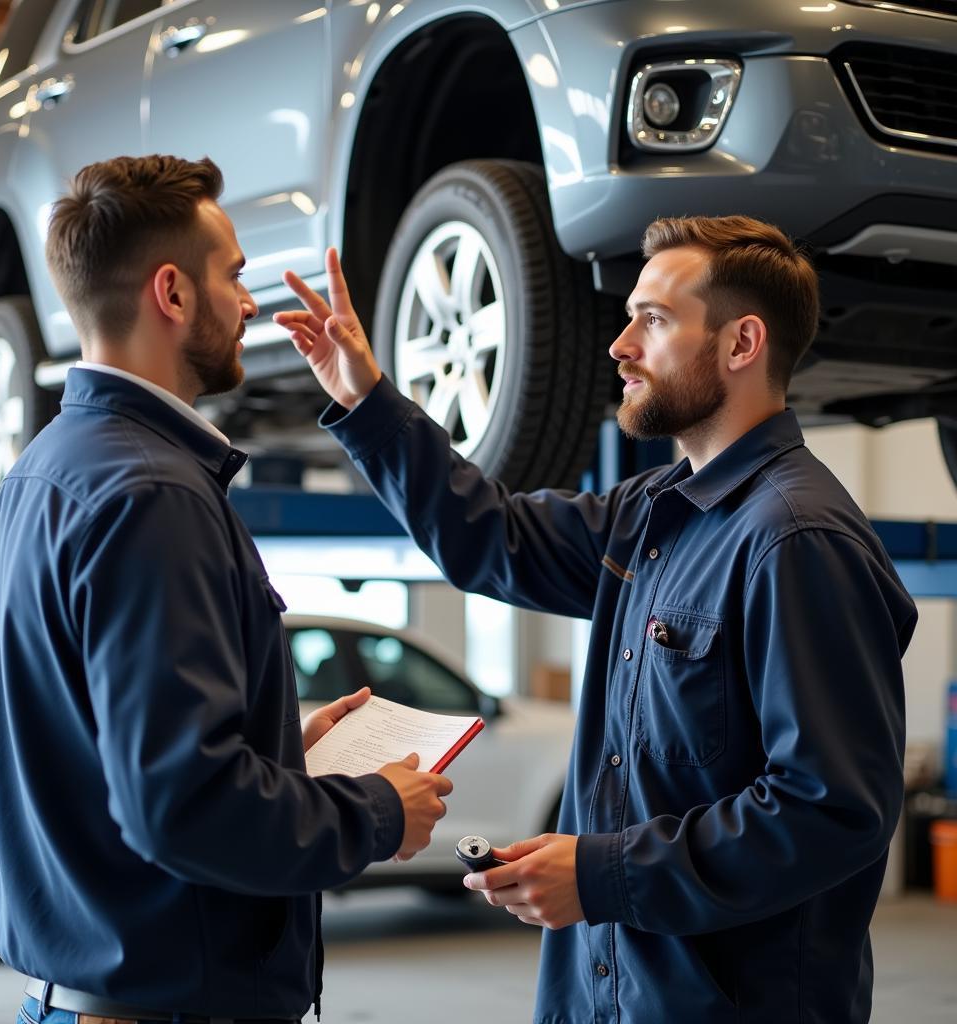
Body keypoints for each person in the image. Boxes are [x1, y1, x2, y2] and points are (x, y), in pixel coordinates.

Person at [276, 216, 918, 1023]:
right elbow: (492, 539)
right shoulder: (649, 516)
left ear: (742, 343)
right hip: (601, 997)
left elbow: (831, 810)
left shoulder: (797, 540)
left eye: (652, 319)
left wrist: (604, 873)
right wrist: (366, 402)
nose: (619, 344)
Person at [0, 154, 453, 1024]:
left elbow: (109, 757)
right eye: (234, 276)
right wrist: (376, 811)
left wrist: (279, 752)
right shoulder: (153, 494)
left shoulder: (42, 472)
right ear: (173, 293)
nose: (249, 303)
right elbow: (179, 806)